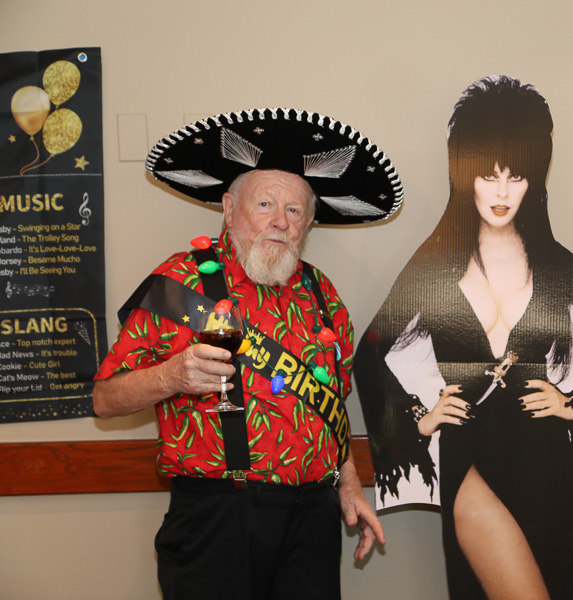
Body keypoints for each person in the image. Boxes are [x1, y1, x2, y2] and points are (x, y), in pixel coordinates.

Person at [355, 76, 573, 600]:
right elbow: (370, 355)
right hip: (469, 457)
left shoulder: (555, 265)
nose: (501, 192)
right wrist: (419, 417)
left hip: (546, 460)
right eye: (487, 175)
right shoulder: (433, 267)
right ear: (463, 176)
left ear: (534, 179)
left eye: (515, 176)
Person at [93, 108, 403, 600]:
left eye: (295, 210)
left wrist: (347, 483)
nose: (280, 220)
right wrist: (171, 376)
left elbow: (330, 408)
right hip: (221, 517)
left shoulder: (322, 294)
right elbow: (104, 400)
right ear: (228, 208)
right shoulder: (179, 283)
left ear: (308, 223)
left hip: (314, 517)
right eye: (265, 204)